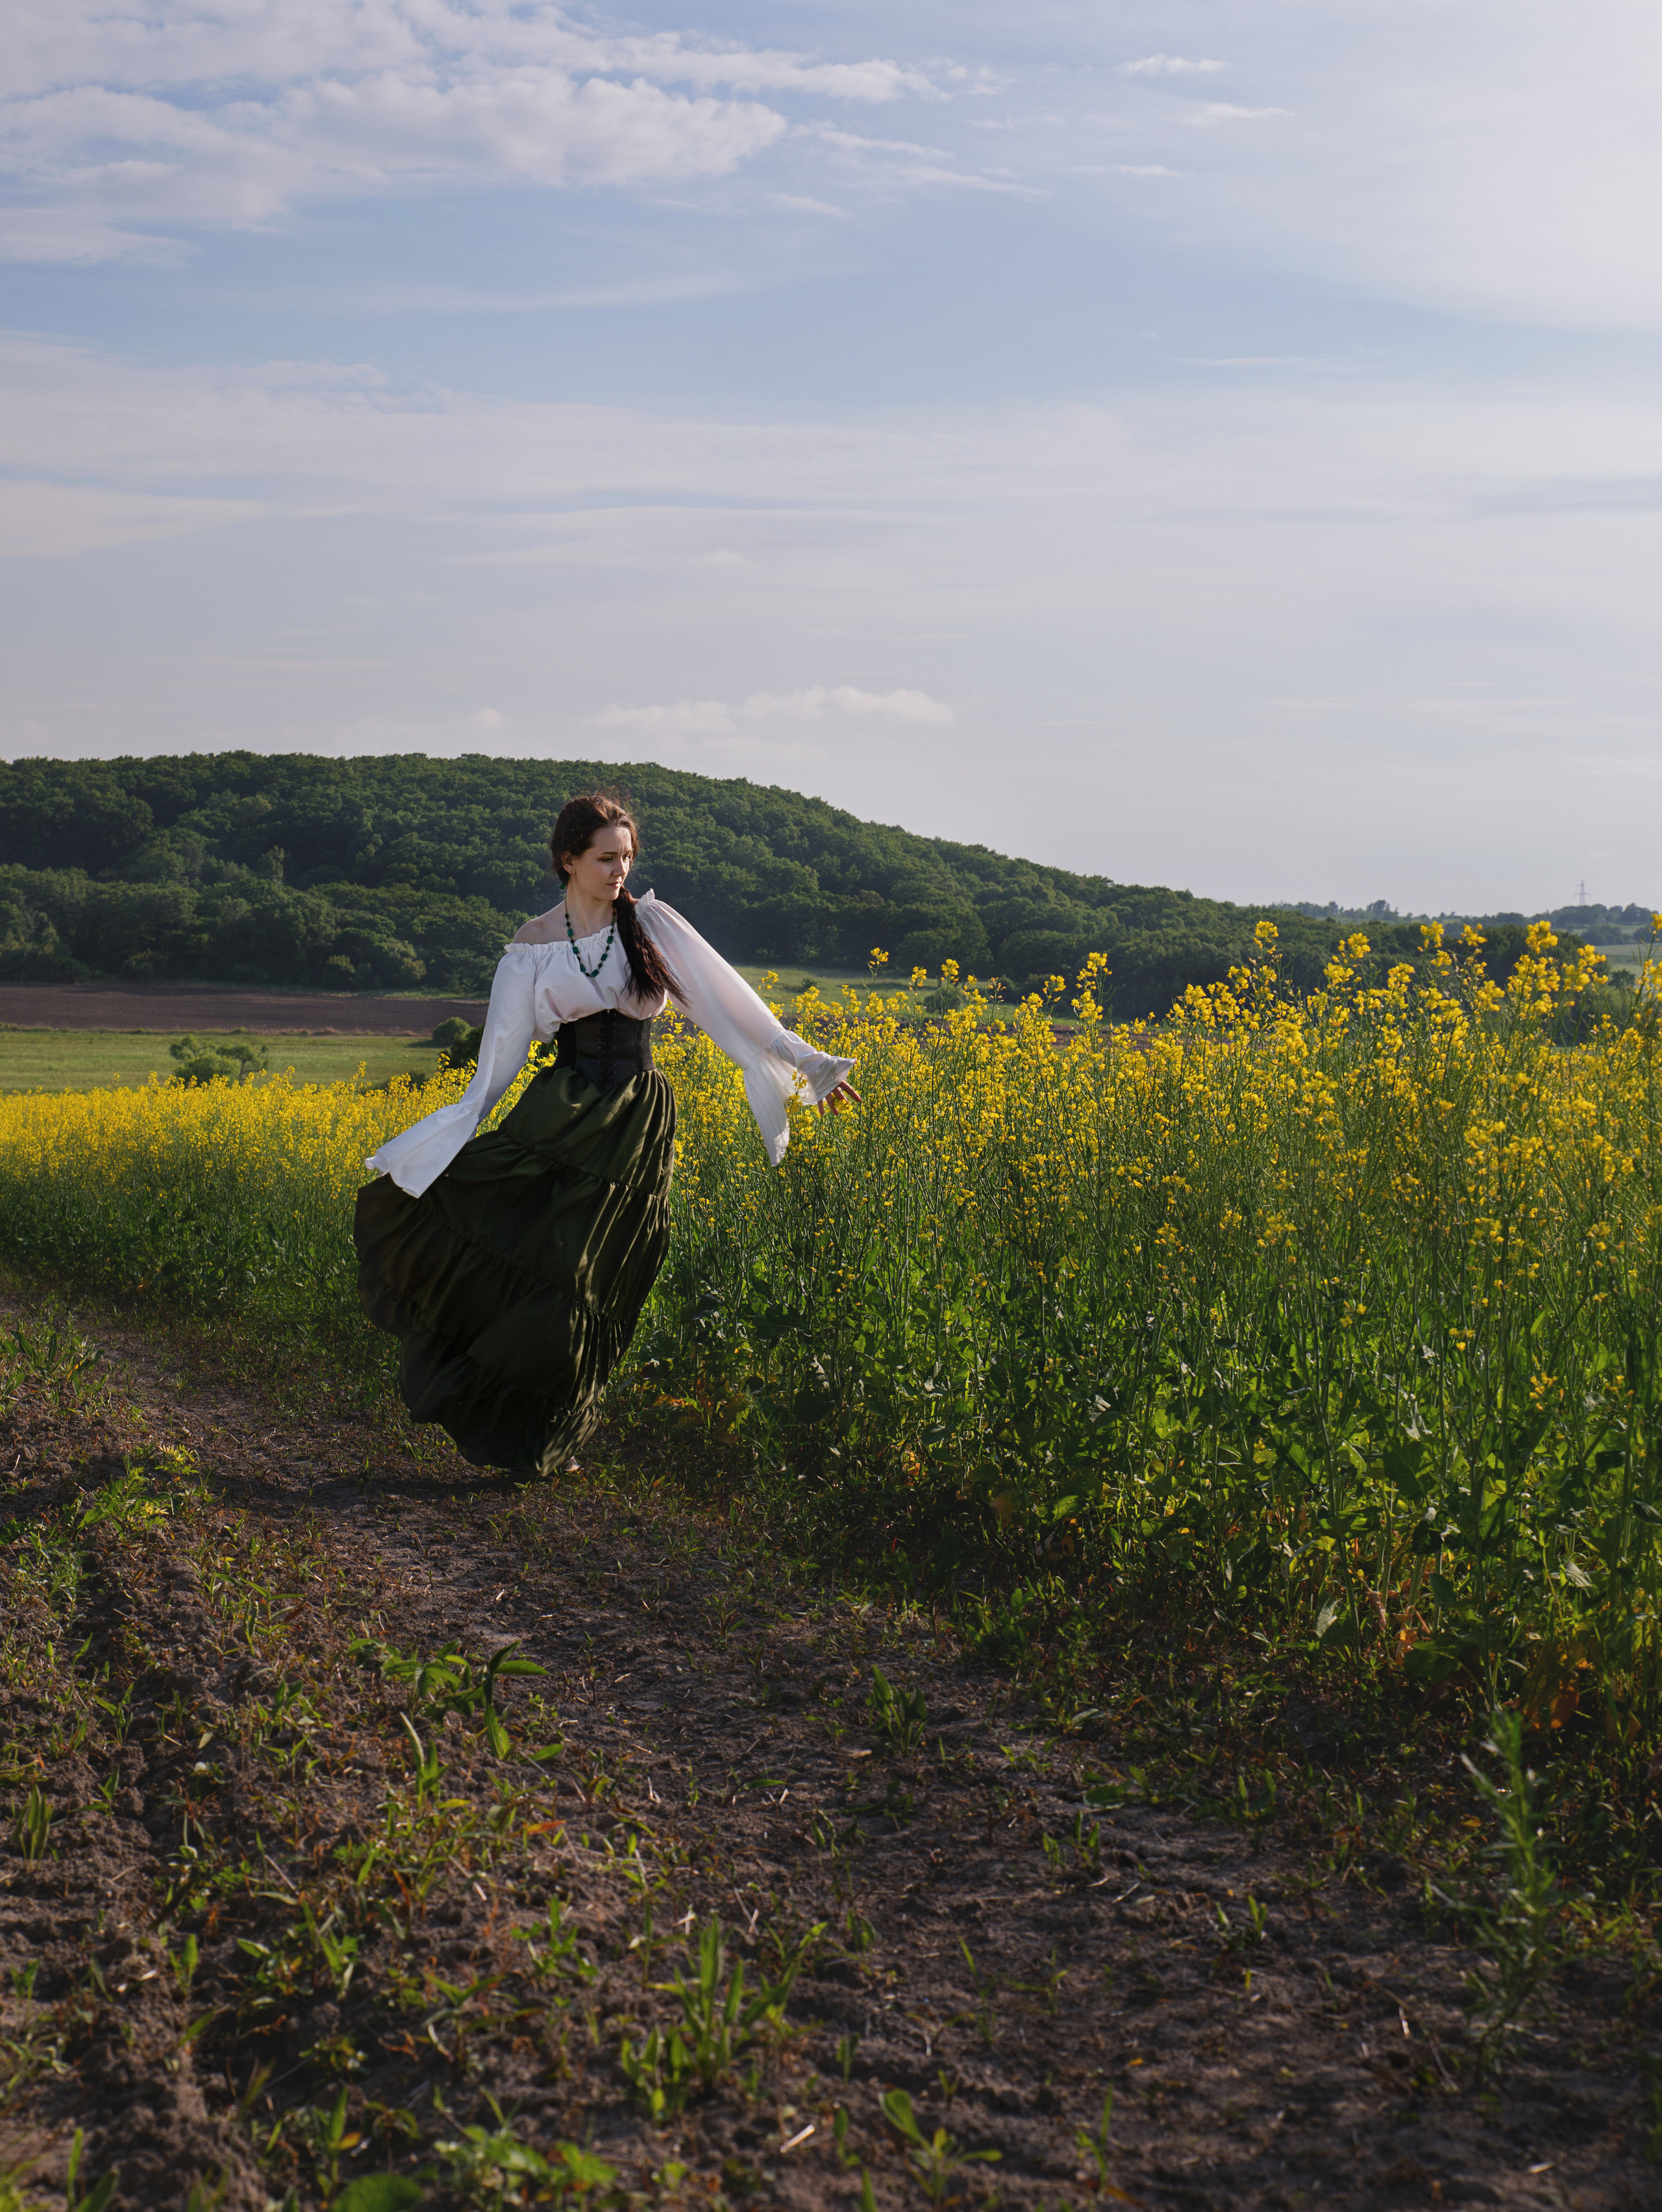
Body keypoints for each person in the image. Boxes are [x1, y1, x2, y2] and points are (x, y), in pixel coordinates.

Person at [353, 790, 860, 1478]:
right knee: (542, 1265)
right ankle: (511, 1424)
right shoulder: (531, 946)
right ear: (568, 858)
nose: (619, 869)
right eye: (605, 857)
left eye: (626, 857)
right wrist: (436, 1146)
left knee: (599, 1280)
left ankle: (550, 1430)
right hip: (559, 1112)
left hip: (635, 1120)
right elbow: (498, 1061)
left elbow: (727, 997)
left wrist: (809, 1063)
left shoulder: (649, 924)